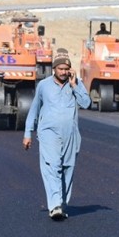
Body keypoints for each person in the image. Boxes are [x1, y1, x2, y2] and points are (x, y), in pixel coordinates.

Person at [22, 49, 91, 221]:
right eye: (60, 69)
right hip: (48, 133)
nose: (63, 72)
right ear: (54, 69)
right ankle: (55, 206)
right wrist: (27, 133)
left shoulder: (75, 83)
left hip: (70, 134)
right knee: (53, 166)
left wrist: (75, 86)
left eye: (66, 69)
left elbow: (86, 103)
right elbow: (34, 109)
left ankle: (62, 203)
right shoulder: (44, 86)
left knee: (68, 168)